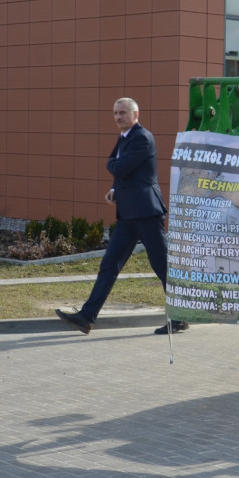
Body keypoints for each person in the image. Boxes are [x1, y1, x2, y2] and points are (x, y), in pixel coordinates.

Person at [55, 98, 189, 335]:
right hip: (129, 214)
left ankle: (182, 316)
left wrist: (114, 168)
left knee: (162, 266)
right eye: (115, 113)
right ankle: (86, 317)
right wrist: (116, 189)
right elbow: (123, 169)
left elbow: (119, 167)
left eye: (123, 113)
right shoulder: (125, 137)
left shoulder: (141, 137)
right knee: (109, 265)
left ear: (136, 114)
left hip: (146, 213)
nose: (118, 117)